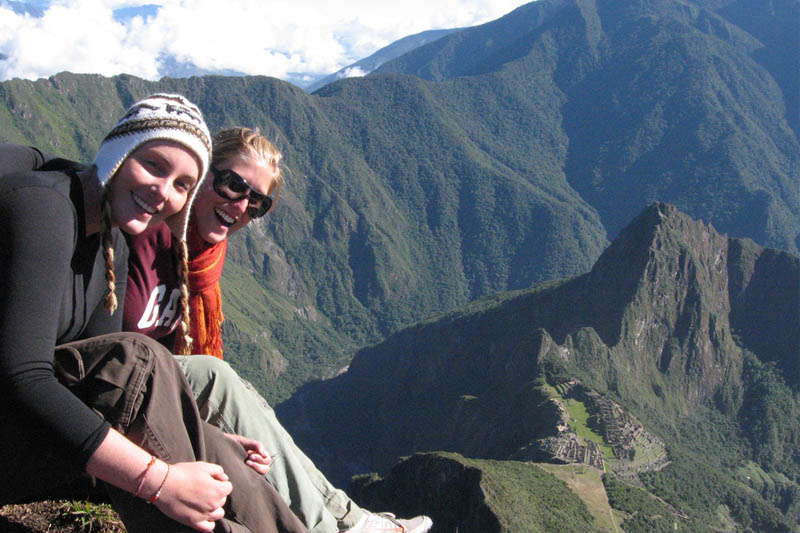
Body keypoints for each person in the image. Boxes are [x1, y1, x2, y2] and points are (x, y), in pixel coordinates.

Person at [0, 96, 306, 533]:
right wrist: (160, 480)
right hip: (16, 428)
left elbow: (103, 383)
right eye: (154, 165)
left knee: (153, 375)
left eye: (182, 184)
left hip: (29, 436)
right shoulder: (44, 210)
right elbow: (22, 376)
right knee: (139, 360)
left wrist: (208, 440)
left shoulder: (114, 242)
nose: (164, 192)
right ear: (118, 154)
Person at [124, 127, 433, 533]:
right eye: (233, 184)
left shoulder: (202, 257)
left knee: (246, 395)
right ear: (202, 172)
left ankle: (351, 519)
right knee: (214, 377)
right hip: (119, 391)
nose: (241, 205)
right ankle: (326, 528)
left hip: (153, 386)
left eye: (257, 201)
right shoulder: (141, 230)